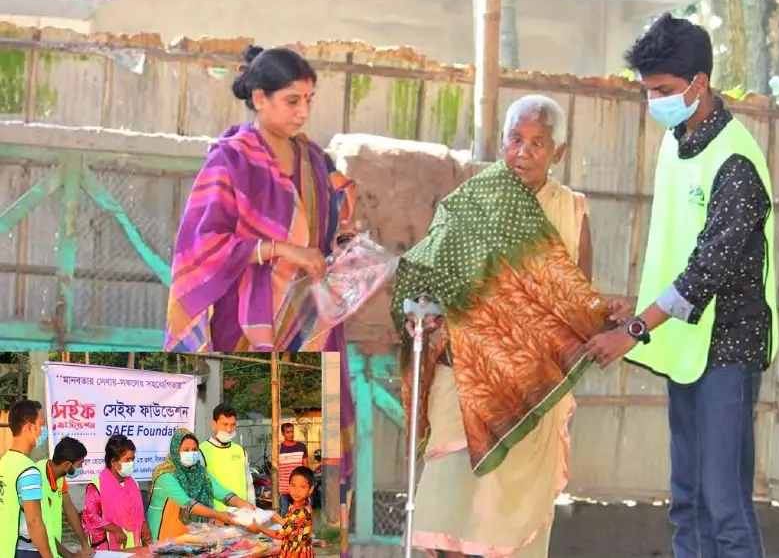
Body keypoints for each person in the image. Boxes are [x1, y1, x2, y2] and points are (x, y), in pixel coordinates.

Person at [585, 13, 779, 558]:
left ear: (699, 82)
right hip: (685, 346)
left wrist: (636, 327)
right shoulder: (679, 142)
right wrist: (639, 305)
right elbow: (675, 246)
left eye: (663, 91)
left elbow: (707, 267)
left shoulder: (735, 159)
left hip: (729, 347)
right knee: (687, 502)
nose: (655, 103)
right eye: (647, 91)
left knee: (725, 506)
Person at [391, 94, 606, 558]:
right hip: (465, 380)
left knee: (506, 530)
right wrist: (423, 315)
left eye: (537, 143)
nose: (523, 153)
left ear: (559, 153)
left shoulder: (573, 211)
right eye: (515, 140)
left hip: (530, 393)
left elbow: (577, 304)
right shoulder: (472, 202)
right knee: (448, 513)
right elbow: (428, 276)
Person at [164, 44, 358, 352]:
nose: (304, 112)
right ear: (259, 98)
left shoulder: (316, 161)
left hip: (309, 321)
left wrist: (346, 244)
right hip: (244, 324)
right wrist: (283, 250)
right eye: (292, 100)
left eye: (308, 100)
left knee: (302, 401)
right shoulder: (231, 160)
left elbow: (332, 227)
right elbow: (204, 244)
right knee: (243, 400)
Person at [146, 428, 255, 541]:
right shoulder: (165, 474)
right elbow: (187, 503)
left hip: (191, 532)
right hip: (162, 531)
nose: (191, 453)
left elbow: (221, 493)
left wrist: (245, 504)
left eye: (194, 450)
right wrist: (218, 515)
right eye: (186, 450)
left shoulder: (200, 471)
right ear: (175, 450)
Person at [20, 436, 94, 558]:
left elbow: (69, 508)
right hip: (31, 549)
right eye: (79, 464)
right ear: (67, 464)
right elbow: (40, 525)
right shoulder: (37, 478)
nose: (81, 468)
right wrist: (71, 556)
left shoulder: (59, 476)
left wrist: (84, 544)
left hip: (49, 547)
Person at [0, 400, 55, 558]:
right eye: (41, 425)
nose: (44, 430)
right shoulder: (28, 470)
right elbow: (34, 521)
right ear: (30, 427)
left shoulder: (4, 462)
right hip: (24, 551)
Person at [82, 434, 151, 549]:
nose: (131, 463)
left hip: (133, 543)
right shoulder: (96, 486)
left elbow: (137, 511)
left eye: (133, 459)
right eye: (127, 460)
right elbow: (89, 516)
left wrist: (143, 523)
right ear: (114, 462)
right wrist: (115, 529)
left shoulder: (133, 483)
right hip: (108, 545)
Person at [247, 466, 316, 558]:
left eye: (302, 487)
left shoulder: (301, 511)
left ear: (310, 489)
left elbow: (280, 534)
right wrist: (273, 515)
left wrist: (259, 529)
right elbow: (289, 526)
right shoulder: (296, 507)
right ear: (289, 486)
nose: (296, 491)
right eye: (293, 485)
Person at [199, 404, 255, 510]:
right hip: (216, 520)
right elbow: (199, 489)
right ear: (213, 424)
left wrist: (252, 508)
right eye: (224, 424)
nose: (229, 429)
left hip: (242, 517)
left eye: (232, 425)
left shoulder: (240, 450)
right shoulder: (201, 451)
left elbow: (249, 484)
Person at [278, 423, 308, 517]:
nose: (290, 434)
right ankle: (285, 531)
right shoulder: (278, 449)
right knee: (285, 513)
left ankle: (301, 531)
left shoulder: (301, 447)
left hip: (299, 488)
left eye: (292, 431)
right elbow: (276, 467)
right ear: (283, 433)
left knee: (301, 514)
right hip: (285, 488)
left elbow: (305, 467)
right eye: (287, 432)